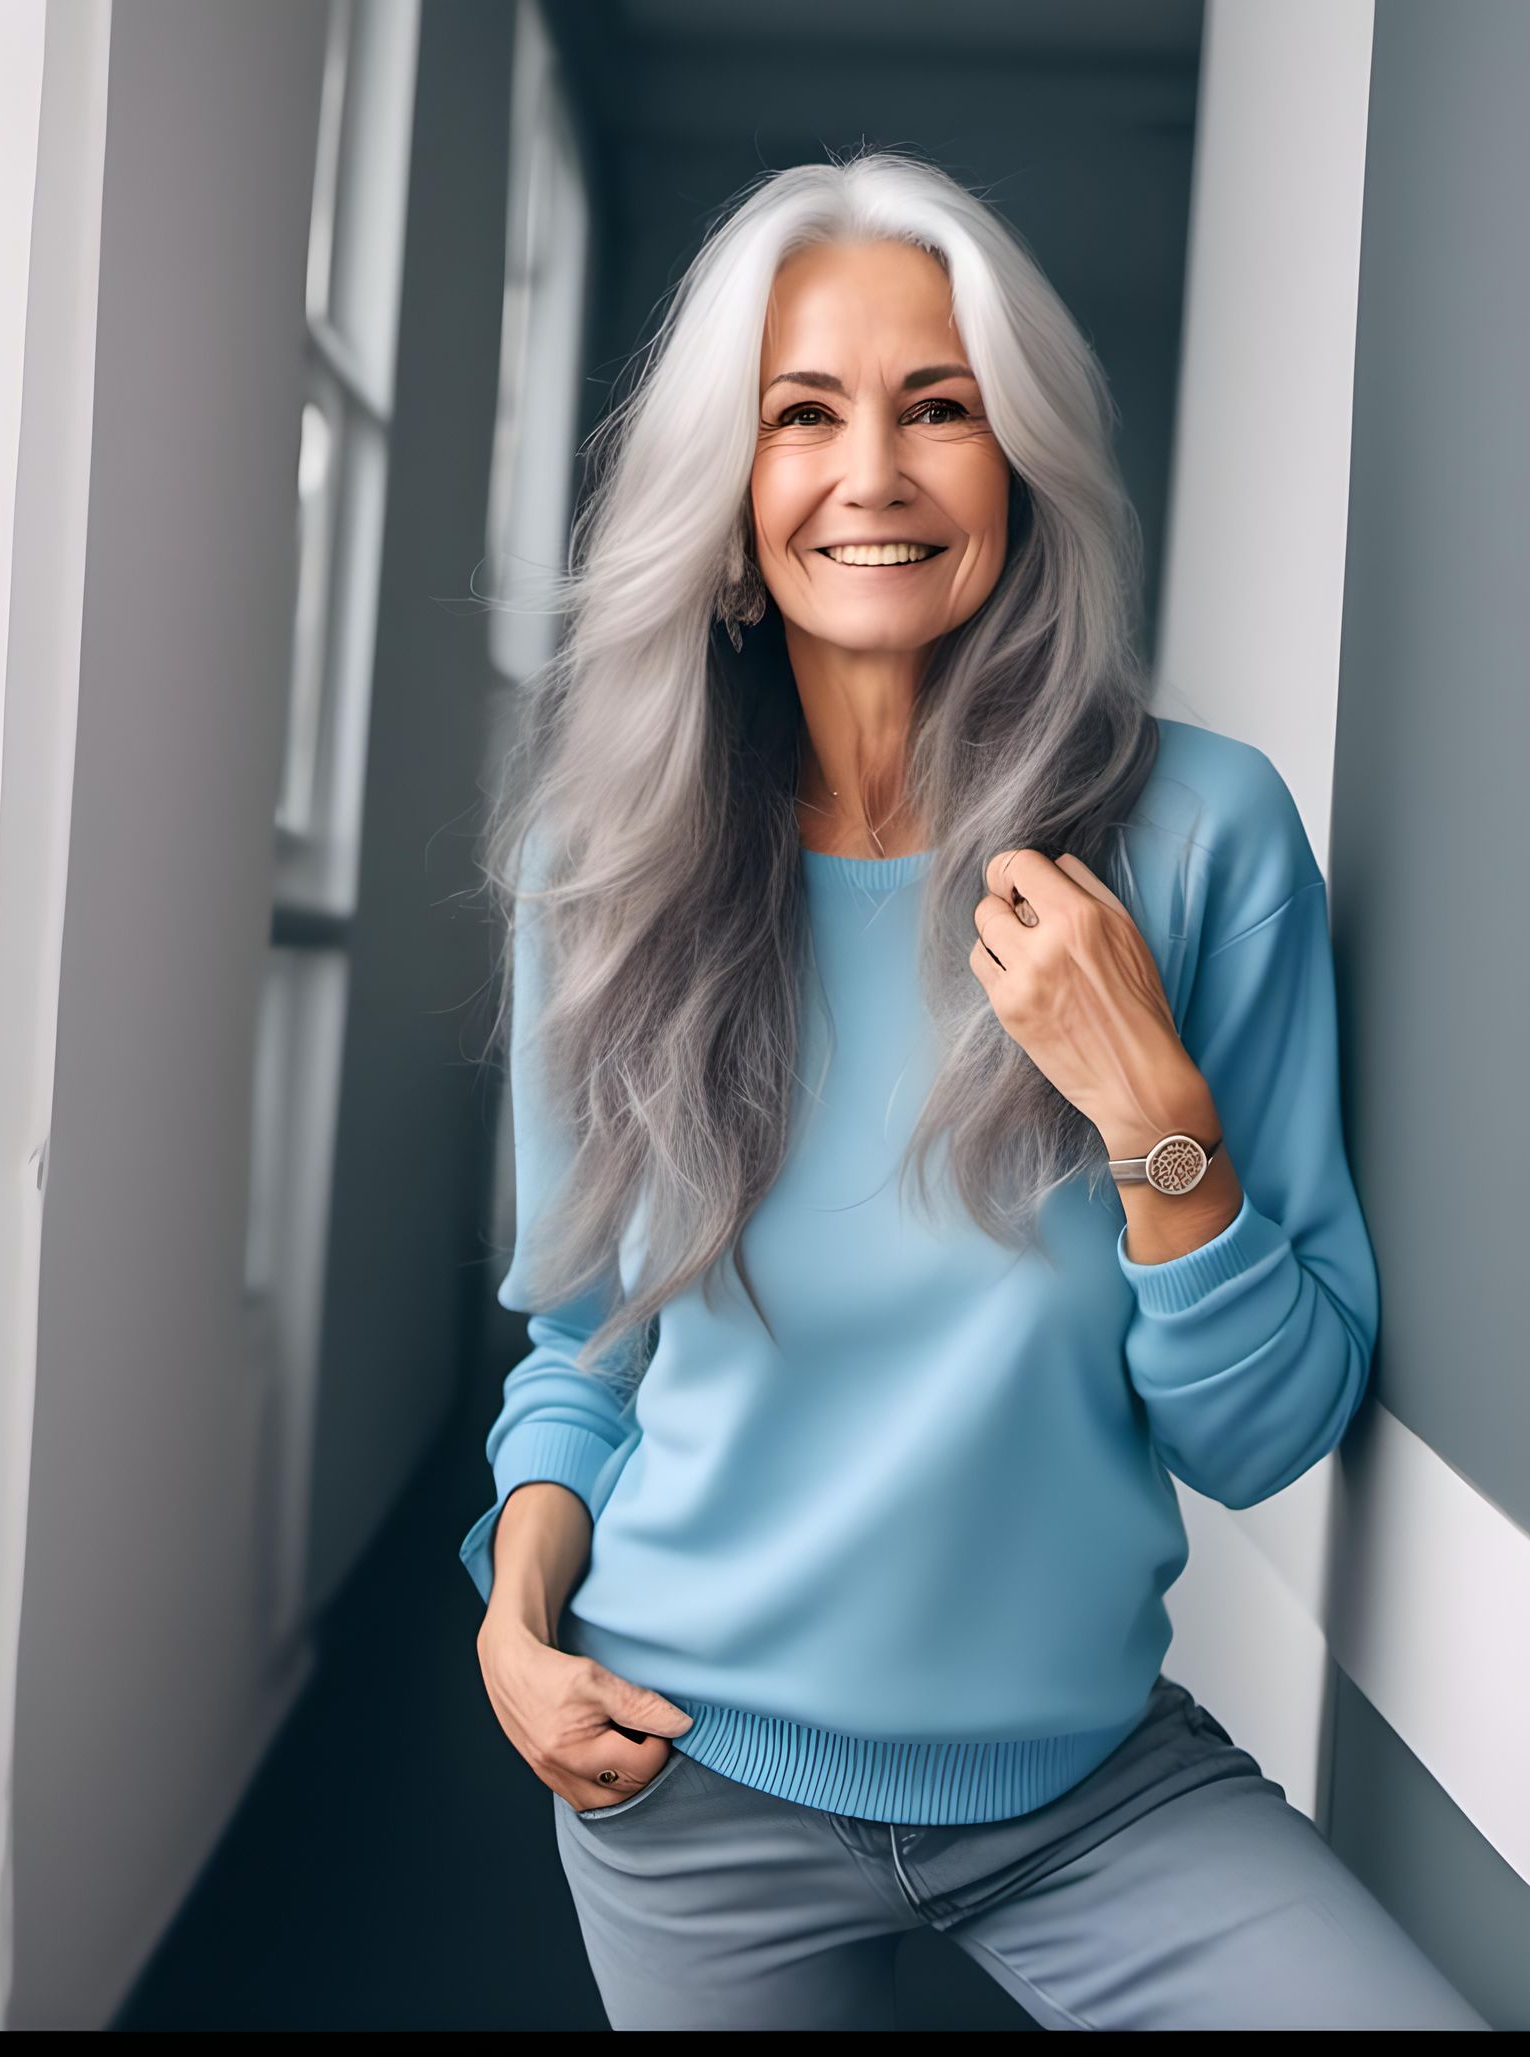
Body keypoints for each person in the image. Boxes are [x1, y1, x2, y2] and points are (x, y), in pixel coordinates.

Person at [460, 151, 1489, 2032]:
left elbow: (1266, 1432)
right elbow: (588, 1346)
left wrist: (1156, 1114)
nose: (874, 471)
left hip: (1089, 1785)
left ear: (1019, 462)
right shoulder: (606, 875)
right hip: (687, 1780)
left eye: (938, 406)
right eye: (803, 414)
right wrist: (515, 1621)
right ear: (728, 493)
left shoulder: (1201, 838)